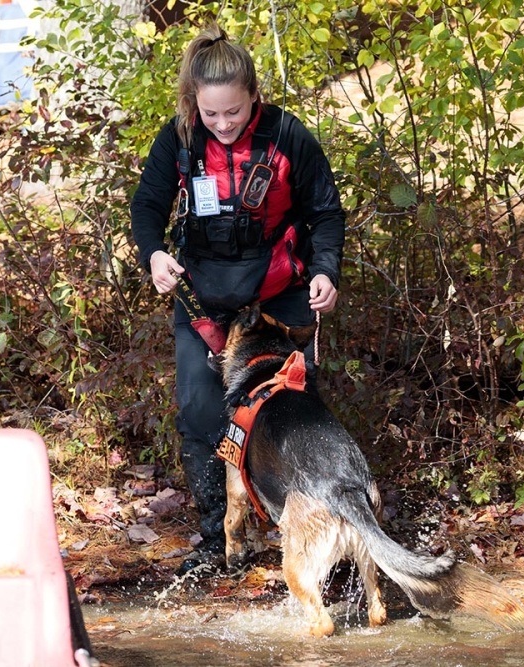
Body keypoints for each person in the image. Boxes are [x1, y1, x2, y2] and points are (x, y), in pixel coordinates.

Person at [130, 24, 345, 572]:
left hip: (279, 301)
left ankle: (318, 540)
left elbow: (324, 210)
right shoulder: (178, 138)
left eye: (234, 112)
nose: (223, 125)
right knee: (203, 412)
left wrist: (325, 271)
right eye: (211, 115)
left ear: (254, 96)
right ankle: (219, 543)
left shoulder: (288, 136)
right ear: (192, 104)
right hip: (204, 300)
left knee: (291, 414)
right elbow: (148, 207)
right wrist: (153, 254)